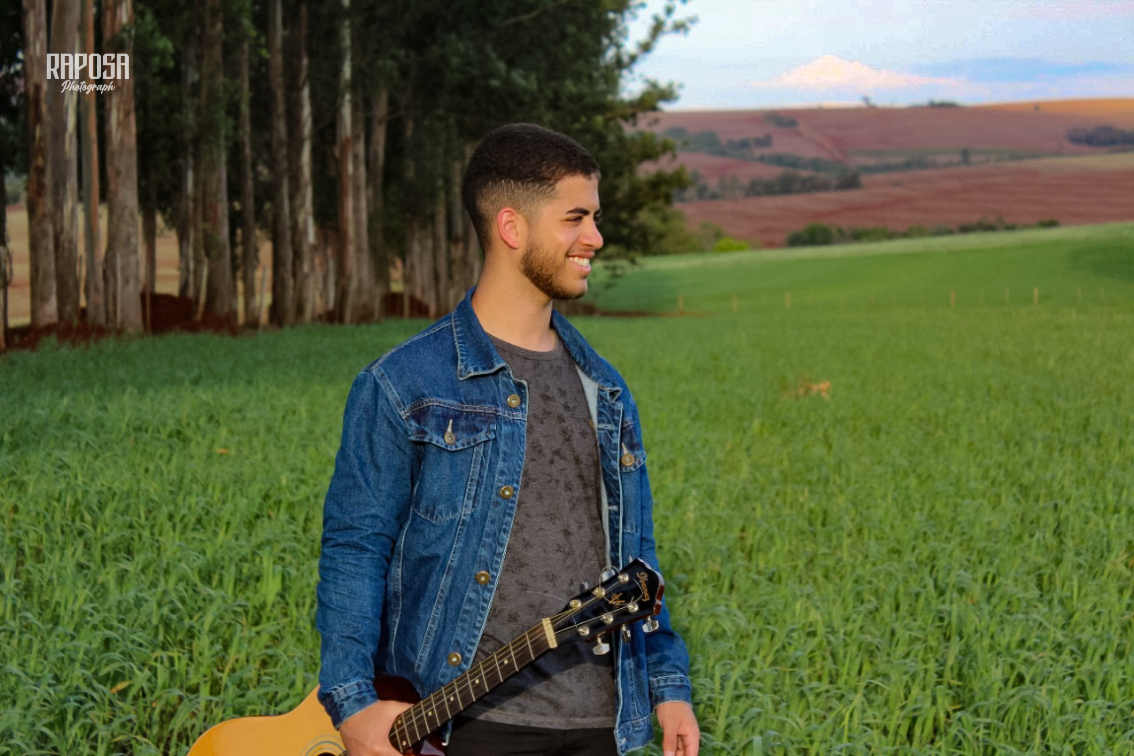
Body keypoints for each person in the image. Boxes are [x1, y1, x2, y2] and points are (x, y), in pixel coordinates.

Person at [316, 123, 699, 756]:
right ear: (512, 227)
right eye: (575, 218)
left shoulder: (605, 390)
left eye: (595, 217)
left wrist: (667, 685)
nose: (595, 238)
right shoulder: (404, 384)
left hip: (599, 725)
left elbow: (638, 557)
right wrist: (353, 703)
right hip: (460, 724)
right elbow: (356, 548)